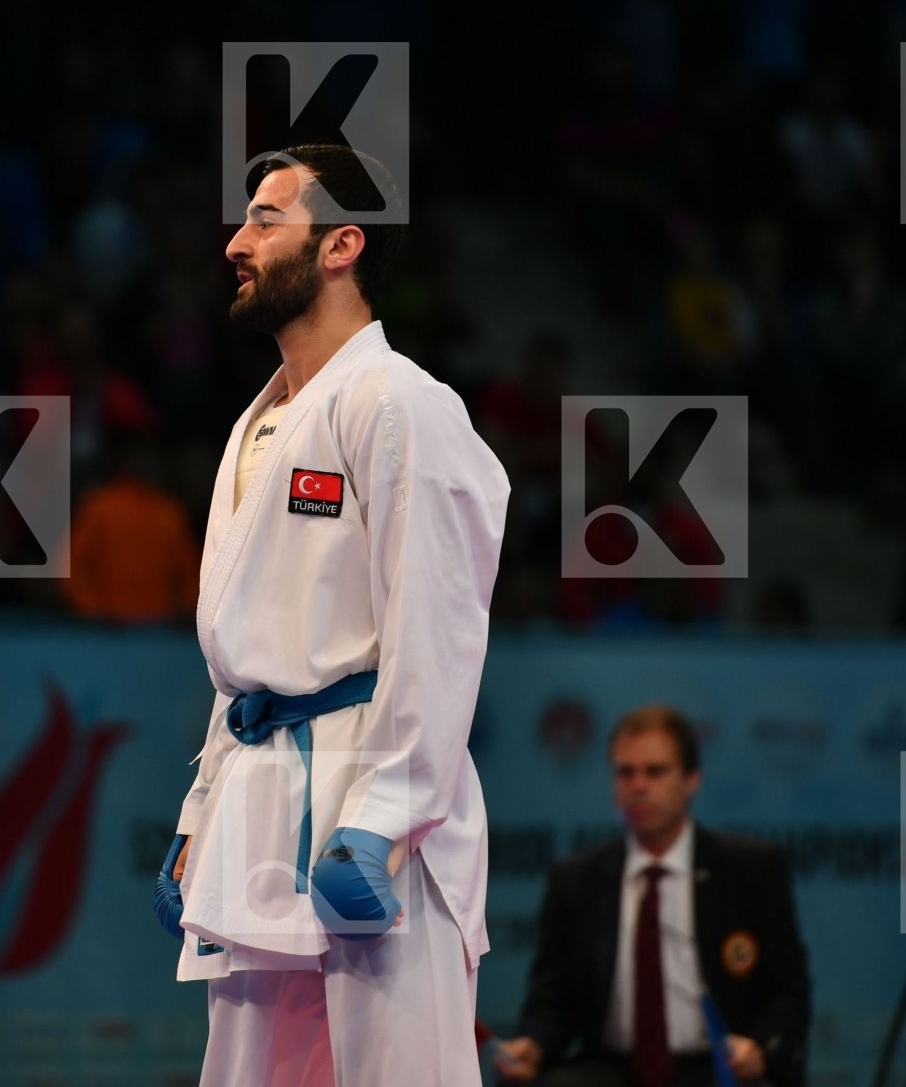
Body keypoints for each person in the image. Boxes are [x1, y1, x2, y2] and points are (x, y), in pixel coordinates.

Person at [152, 143, 510, 1086]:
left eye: (267, 220)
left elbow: (439, 630)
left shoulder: (401, 403)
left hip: (372, 803)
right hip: (260, 802)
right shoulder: (259, 422)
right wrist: (199, 813)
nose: (237, 243)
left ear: (341, 245)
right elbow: (245, 659)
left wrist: (388, 815)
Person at [496, 704, 810, 1086]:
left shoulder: (750, 870)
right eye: (625, 773)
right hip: (610, 1070)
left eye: (656, 772)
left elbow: (787, 993)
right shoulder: (577, 880)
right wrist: (535, 1045)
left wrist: (759, 1050)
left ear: (692, 779)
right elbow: (551, 1001)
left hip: (715, 1068)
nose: (639, 786)